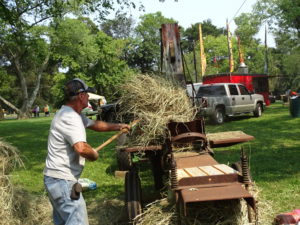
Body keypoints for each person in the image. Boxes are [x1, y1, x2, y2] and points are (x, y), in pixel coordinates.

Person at [43, 78, 130, 225]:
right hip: (63, 181)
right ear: (81, 95)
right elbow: (81, 148)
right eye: (87, 94)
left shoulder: (70, 113)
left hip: (54, 179)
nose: (89, 97)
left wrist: (118, 126)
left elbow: (95, 124)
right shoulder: (70, 117)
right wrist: (94, 155)